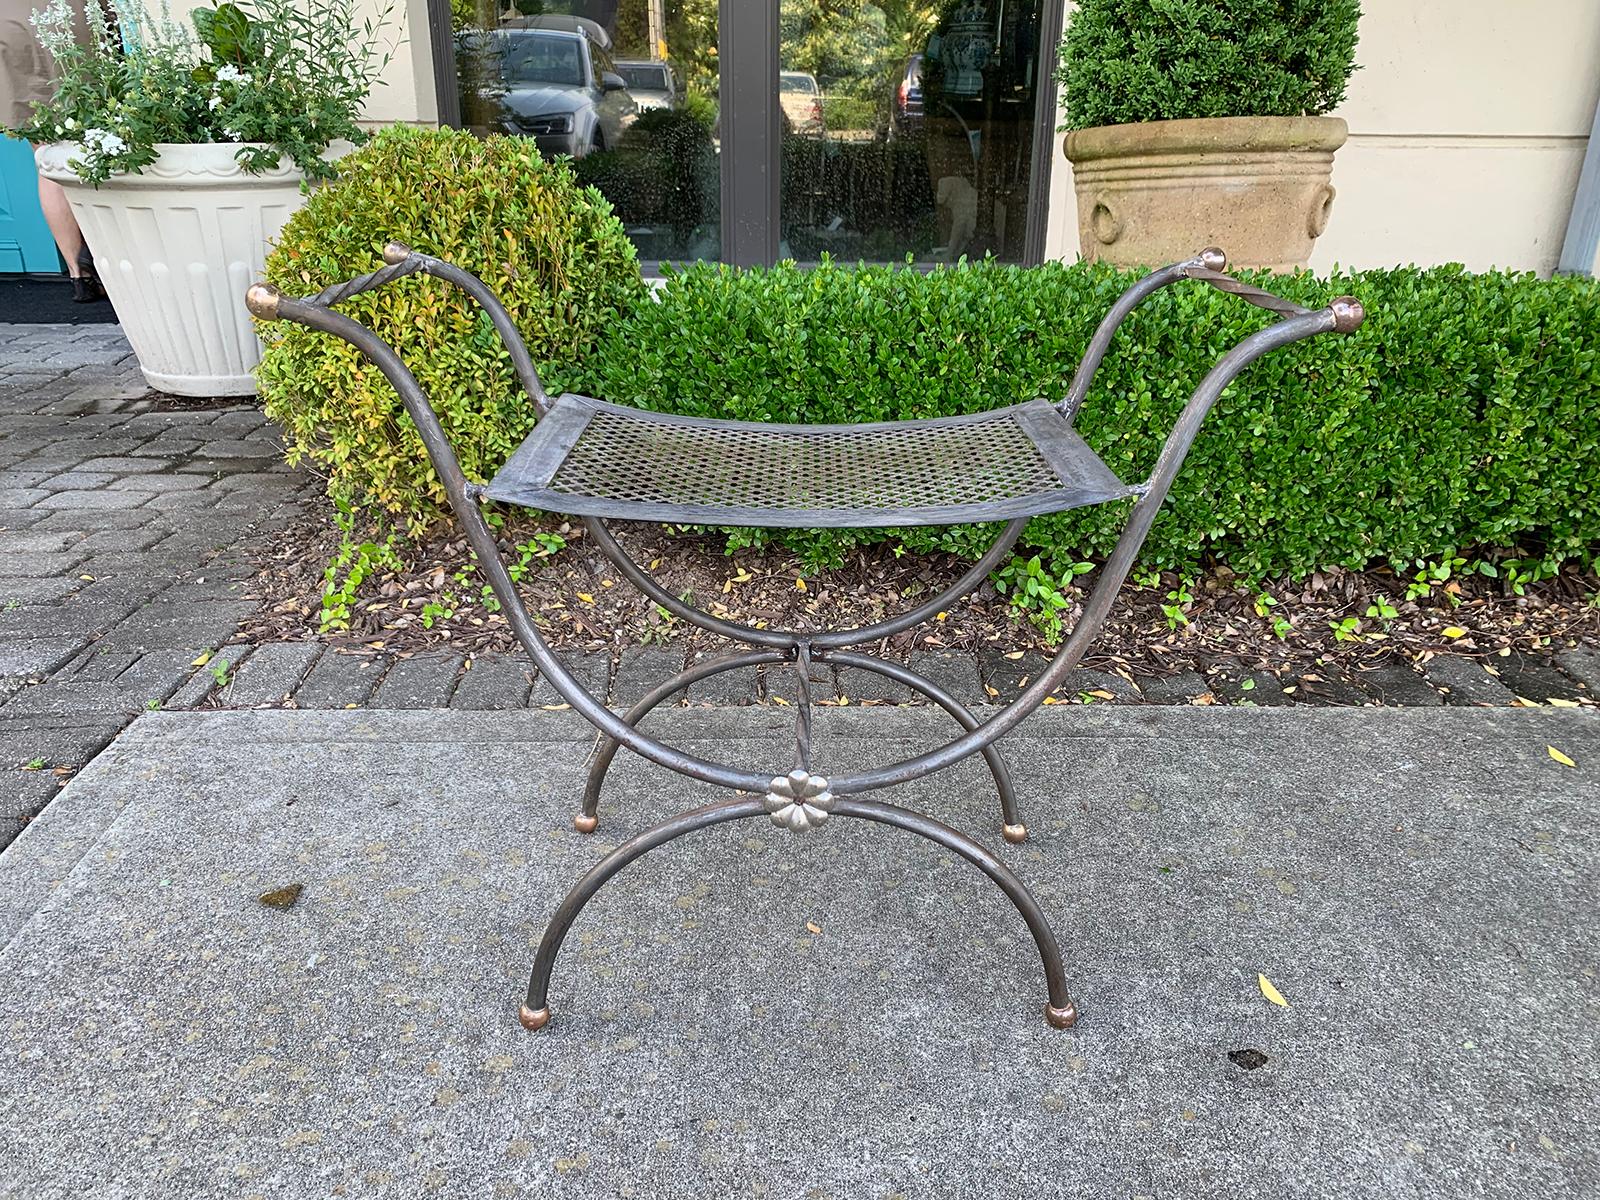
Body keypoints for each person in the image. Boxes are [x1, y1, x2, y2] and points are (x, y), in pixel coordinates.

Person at [0, 0, 106, 302]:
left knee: (45, 157)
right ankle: (103, 260)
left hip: (8, 24)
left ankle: (79, 275)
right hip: (64, 14)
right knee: (98, 140)